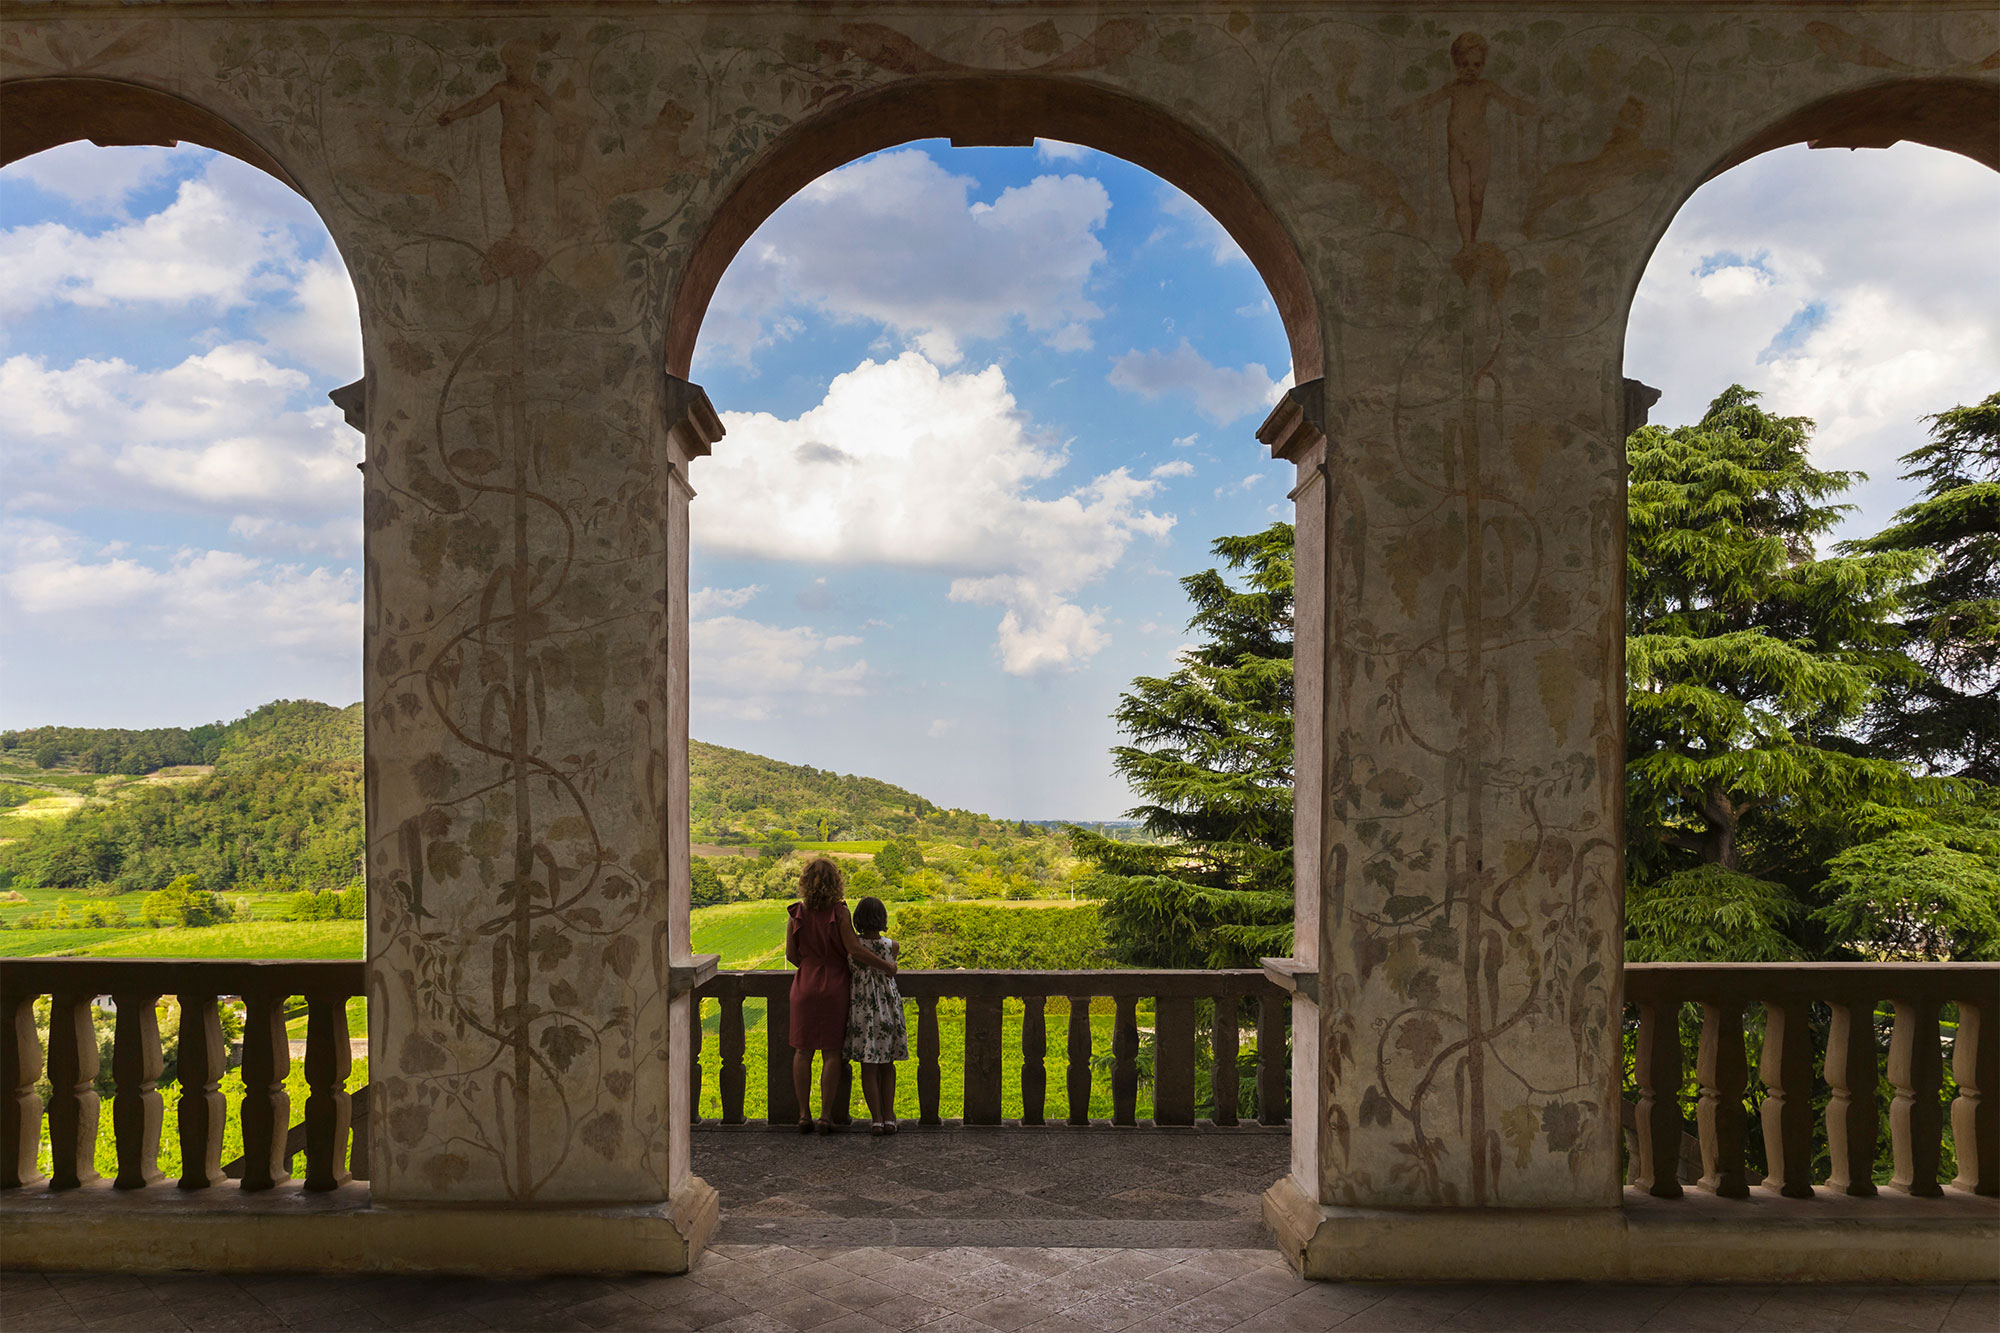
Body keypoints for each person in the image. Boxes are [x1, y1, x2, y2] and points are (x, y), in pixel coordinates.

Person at [786, 857, 895, 1133]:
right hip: (835, 985)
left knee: (802, 1051)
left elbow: (791, 955)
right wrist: (887, 966)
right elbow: (855, 950)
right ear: (836, 882)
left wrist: (810, 967)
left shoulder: (796, 913)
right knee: (831, 1053)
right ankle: (825, 1115)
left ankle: (803, 1114)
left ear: (805, 882)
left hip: (804, 984)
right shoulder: (840, 912)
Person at [843, 896, 908, 1135]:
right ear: (883, 918)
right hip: (888, 1007)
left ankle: (877, 1119)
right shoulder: (892, 946)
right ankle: (890, 1116)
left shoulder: (852, 947)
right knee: (888, 1065)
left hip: (862, 1009)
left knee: (868, 1067)